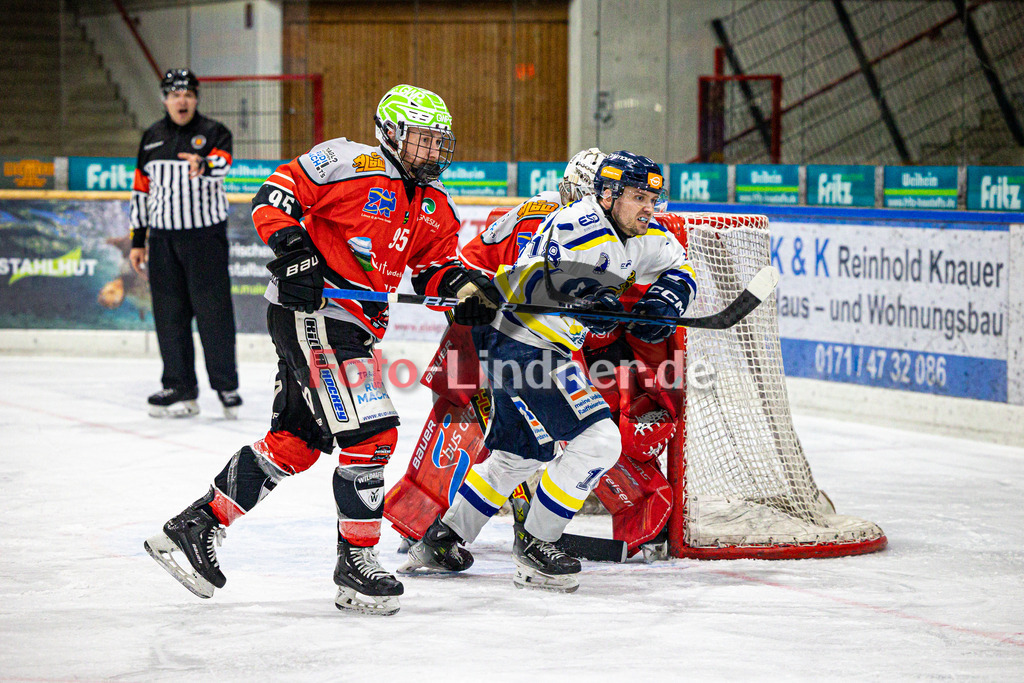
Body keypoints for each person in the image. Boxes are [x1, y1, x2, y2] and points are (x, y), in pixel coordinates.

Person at [144, 84, 499, 616]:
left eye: (438, 142)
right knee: (374, 433)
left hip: (350, 324)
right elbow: (276, 196)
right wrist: (294, 251)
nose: (433, 152)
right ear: (392, 134)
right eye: (422, 141)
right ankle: (356, 561)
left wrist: (465, 292)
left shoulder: (434, 206)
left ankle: (194, 527)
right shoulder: (347, 160)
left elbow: (433, 273)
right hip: (314, 315)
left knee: (294, 441)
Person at [404, 151, 698, 592]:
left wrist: (665, 299)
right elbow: (565, 285)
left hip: (538, 346)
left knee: (517, 456)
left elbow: (678, 265)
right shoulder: (576, 225)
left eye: (653, 199)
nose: (649, 208)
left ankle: (441, 541)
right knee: (600, 441)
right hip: (523, 345)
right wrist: (598, 306)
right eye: (639, 197)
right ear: (608, 193)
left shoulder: (641, 230)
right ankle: (538, 545)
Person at [128, 68, 242, 419]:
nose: (182, 100)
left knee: (214, 313)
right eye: (175, 94)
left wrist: (203, 164)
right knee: (169, 315)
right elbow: (141, 192)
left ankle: (225, 385)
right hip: (162, 240)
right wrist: (138, 239)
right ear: (164, 99)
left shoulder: (214, 132)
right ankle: (179, 384)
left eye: (188, 94)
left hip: (204, 238)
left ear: (196, 99)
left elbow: (223, 164)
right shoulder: (150, 138)